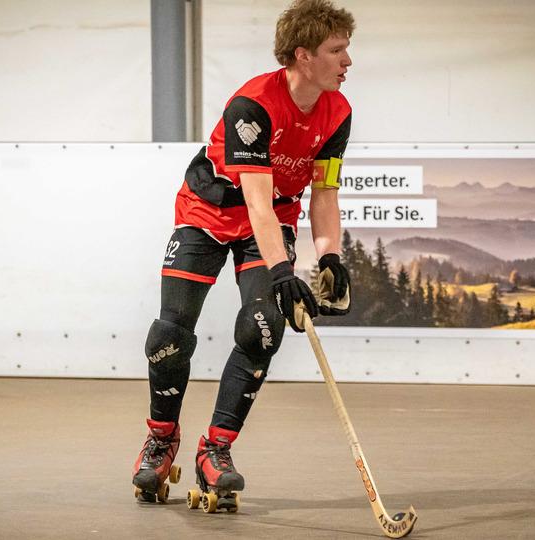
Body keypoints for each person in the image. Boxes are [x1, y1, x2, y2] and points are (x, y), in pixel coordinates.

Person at [132, 0, 355, 510]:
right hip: (209, 212)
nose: (347, 61)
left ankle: (218, 449)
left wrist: (330, 257)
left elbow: (324, 192)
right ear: (303, 55)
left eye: (347, 50)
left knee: (263, 328)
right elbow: (254, 196)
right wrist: (282, 271)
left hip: (270, 220)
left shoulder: (337, 111)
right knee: (171, 331)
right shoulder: (252, 105)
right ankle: (162, 438)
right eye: (336, 50)